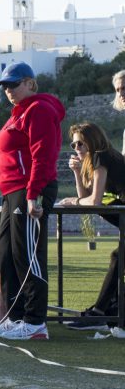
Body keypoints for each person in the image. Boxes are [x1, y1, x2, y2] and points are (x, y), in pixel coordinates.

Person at [0, 62, 64, 341]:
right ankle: (16, 317)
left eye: (14, 84)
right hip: (12, 191)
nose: (9, 90)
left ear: (30, 83)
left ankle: (35, 322)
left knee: (27, 254)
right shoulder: (17, 114)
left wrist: (33, 194)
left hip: (30, 188)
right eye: (5, 86)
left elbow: (43, 154)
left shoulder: (38, 109)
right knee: (5, 253)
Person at [58, 122, 125, 329]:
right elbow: (85, 199)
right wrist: (77, 173)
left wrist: (74, 202)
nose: (77, 149)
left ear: (92, 142)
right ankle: (105, 312)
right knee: (118, 259)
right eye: (74, 145)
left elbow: (92, 201)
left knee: (118, 259)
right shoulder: (100, 158)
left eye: (80, 144)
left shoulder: (101, 156)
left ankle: (100, 313)